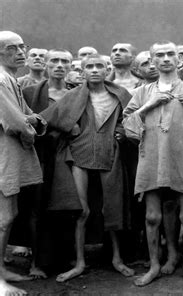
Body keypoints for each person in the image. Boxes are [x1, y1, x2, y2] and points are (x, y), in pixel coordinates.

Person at [40, 54, 134, 282]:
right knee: (82, 211)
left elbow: (133, 117)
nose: (94, 70)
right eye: (89, 66)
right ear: (82, 71)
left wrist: (121, 132)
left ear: (106, 69)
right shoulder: (73, 96)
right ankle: (80, 262)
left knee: (111, 207)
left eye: (98, 66)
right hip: (79, 154)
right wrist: (67, 127)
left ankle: (116, 259)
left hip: (109, 153)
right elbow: (45, 119)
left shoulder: (120, 94)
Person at [122, 41, 183, 287]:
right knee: (152, 217)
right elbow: (128, 125)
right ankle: (154, 266)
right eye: (160, 55)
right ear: (152, 60)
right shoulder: (142, 92)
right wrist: (150, 105)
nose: (166, 58)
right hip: (151, 158)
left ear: (178, 58)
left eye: (171, 53)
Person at [0, 30, 47, 296]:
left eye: (22, 47)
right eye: (12, 48)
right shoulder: (0, 80)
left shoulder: (11, 79)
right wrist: (31, 130)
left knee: (9, 215)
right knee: (3, 217)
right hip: (4, 154)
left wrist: (31, 121)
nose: (21, 52)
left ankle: (1, 270)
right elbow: (16, 123)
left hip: (11, 154)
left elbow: (29, 116)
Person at [20, 49, 73, 279]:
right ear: (47, 65)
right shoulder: (30, 92)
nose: (59, 65)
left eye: (64, 61)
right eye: (55, 61)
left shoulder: (77, 93)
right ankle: (36, 261)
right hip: (39, 154)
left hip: (68, 154)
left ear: (70, 66)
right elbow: (22, 121)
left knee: (66, 206)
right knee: (36, 207)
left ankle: (65, 257)